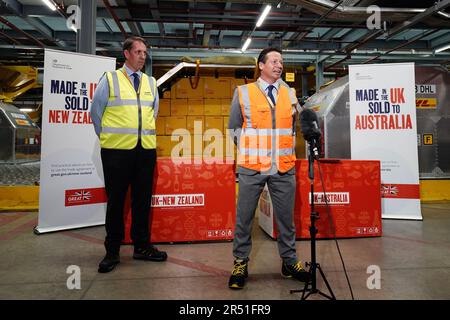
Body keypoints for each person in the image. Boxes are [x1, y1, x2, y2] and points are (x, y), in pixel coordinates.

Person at [227, 47, 310, 289]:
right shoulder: (243, 92)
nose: (279, 65)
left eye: (281, 61)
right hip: (252, 166)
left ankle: (289, 261)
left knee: (286, 219)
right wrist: (251, 148)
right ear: (261, 65)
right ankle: (240, 262)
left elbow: (296, 126)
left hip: (283, 167)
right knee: (244, 218)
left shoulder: (289, 93)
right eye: (273, 61)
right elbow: (234, 128)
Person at [91, 36, 167, 273]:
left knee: (142, 201)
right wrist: (108, 139)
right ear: (126, 53)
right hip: (116, 152)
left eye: (145, 52)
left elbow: (152, 113)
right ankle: (112, 251)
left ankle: (141, 246)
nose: (143, 56)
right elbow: (96, 112)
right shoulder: (111, 79)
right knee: (116, 202)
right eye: (138, 52)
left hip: (144, 151)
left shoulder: (151, 82)